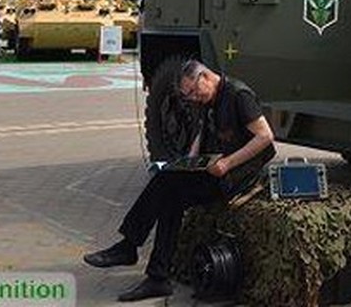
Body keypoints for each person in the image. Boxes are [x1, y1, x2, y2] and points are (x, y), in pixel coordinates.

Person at [83, 60, 276, 302]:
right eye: (189, 95)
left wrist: (228, 163)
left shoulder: (238, 95)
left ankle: (131, 249)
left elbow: (265, 137)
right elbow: (201, 132)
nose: (194, 98)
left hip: (238, 176)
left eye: (194, 92)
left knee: (166, 186)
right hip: (214, 168)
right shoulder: (208, 98)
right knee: (169, 192)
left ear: (205, 77)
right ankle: (156, 277)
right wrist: (189, 162)